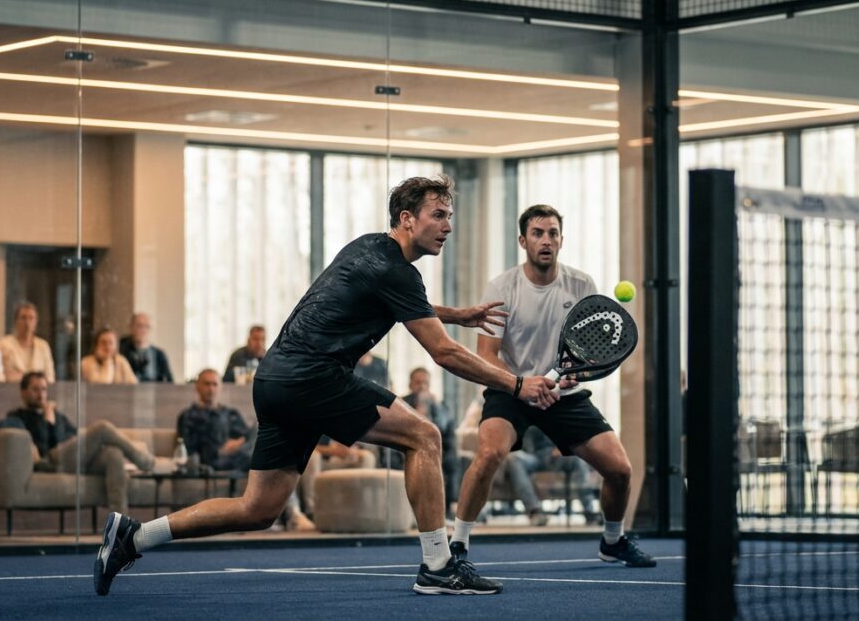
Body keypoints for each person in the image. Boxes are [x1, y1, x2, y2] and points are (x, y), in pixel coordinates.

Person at [94, 175, 556, 597]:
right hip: (313, 377)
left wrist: (457, 314)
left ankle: (133, 536)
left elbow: (401, 301)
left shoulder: (367, 248)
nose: (447, 226)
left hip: (275, 379)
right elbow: (445, 353)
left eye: (449, 216)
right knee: (425, 436)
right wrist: (518, 385)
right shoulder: (397, 269)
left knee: (259, 509)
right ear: (407, 219)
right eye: (439, 215)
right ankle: (438, 565)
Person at [451, 204, 656, 567]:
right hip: (510, 389)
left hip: (564, 395)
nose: (546, 240)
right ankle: (457, 546)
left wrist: (575, 375)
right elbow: (486, 356)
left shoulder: (581, 285)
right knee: (488, 455)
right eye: (537, 233)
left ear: (561, 240)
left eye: (552, 234)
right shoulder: (502, 287)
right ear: (522, 240)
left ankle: (613, 540)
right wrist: (520, 384)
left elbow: (591, 349)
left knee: (620, 469)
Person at [11, 372, 157, 514]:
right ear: (23, 392)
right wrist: (48, 422)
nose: (41, 394)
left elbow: (73, 436)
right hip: (52, 460)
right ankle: (145, 461)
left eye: (44, 389)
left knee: (114, 454)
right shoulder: (19, 417)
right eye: (35, 389)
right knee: (102, 428)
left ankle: (119, 521)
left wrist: (53, 420)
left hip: (73, 456)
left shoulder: (57, 415)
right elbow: (43, 446)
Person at [401, 367, 458, 513]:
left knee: (452, 459)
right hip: (406, 449)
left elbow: (444, 428)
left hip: (438, 452)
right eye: (418, 382)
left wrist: (434, 408)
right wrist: (419, 413)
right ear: (410, 384)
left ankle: (447, 508)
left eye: (425, 383)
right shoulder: (401, 403)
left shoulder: (439, 405)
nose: (422, 386)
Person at [176, 369, 251, 472]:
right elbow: (188, 450)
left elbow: (247, 436)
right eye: (207, 384)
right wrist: (221, 451)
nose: (211, 389)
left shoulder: (230, 414)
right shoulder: (188, 416)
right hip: (211, 462)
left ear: (220, 387)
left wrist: (238, 443)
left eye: (215, 384)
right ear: (197, 386)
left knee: (260, 427)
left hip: (239, 455)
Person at [0, 302, 55, 383]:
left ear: (36, 321)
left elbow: (49, 376)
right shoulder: (5, 344)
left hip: (38, 393)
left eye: (31, 318)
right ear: (16, 321)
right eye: (23, 318)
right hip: (10, 391)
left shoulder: (43, 346)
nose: (27, 322)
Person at [120, 312, 174, 383]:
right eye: (139, 326)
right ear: (131, 327)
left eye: (147, 326)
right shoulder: (122, 350)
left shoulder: (159, 354)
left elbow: (169, 381)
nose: (143, 330)